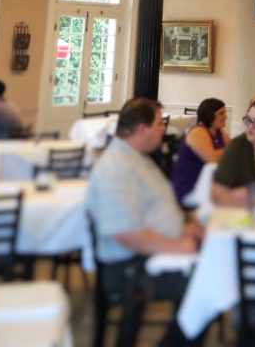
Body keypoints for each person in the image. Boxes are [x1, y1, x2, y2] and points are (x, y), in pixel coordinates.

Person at [85, 98, 205, 346]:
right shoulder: (116, 167)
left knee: (211, 275)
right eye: (160, 123)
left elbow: (152, 210)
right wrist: (178, 246)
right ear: (142, 129)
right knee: (205, 289)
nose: (165, 128)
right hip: (128, 267)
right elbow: (125, 232)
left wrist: (183, 228)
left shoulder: (135, 157)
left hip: (148, 255)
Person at [170, 98, 229, 205]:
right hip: (190, 188)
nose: (225, 117)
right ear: (209, 115)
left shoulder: (219, 133)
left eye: (225, 112)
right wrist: (229, 151)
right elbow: (213, 159)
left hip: (207, 185)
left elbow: (232, 153)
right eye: (221, 113)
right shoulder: (198, 132)